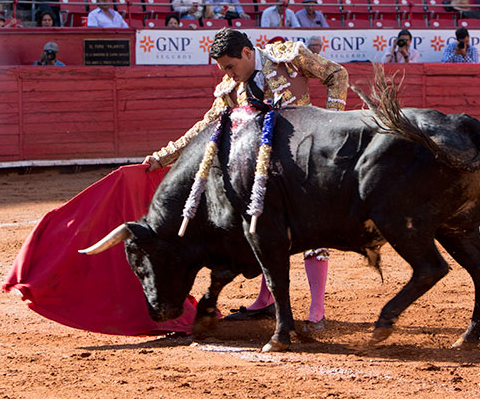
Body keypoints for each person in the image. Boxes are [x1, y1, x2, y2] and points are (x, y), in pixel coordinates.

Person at [143, 28, 348, 331]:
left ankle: (317, 310)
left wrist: (330, 124)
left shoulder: (288, 57)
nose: (228, 74)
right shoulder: (231, 89)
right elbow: (204, 128)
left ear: (248, 53)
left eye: (230, 66)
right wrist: (162, 157)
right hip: (264, 171)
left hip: (304, 161)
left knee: (312, 232)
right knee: (265, 232)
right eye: (223, 69)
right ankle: (266, 300)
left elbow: (337, 75)